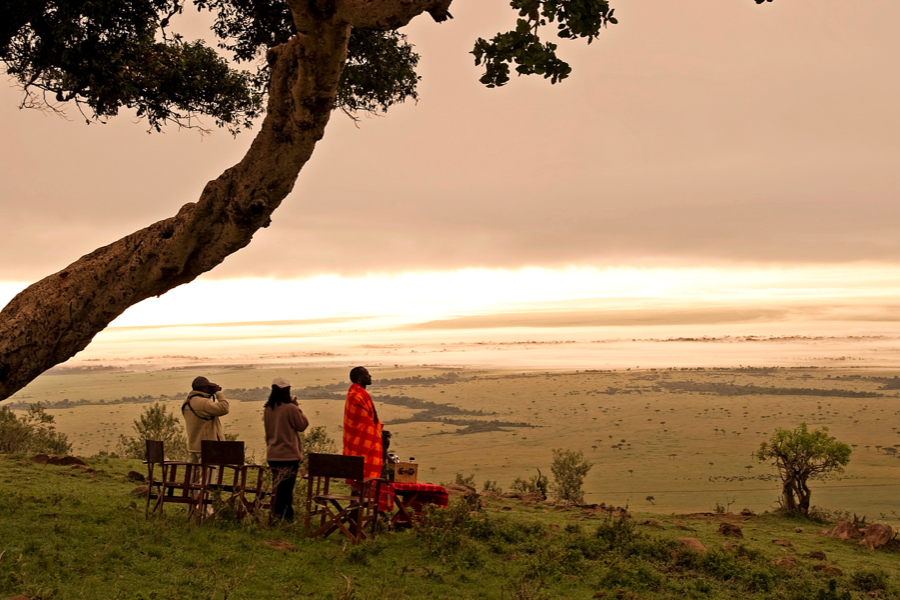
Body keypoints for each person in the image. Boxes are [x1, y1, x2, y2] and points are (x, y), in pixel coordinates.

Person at [263, 377, 309, 522]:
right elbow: (302, 425)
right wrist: (297, 406)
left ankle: (277, 515)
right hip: (288, 455)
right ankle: (286, 517)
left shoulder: (268, 408)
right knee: (286, 490)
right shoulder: (290, 408)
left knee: (277, 488)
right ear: (287, 391)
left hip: (272, 454)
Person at [342, 366, 389, 480]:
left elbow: (368, 420)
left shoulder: (358, 393)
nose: (370, 376)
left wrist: (379, 431)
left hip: (362, 437)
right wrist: (379, 433)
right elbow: (363, 423)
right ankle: (365, 490)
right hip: (360, 441)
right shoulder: (356, 395)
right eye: (367, 375)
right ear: (360, 378)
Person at [182, 375, 230, 464]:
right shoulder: (204, 403)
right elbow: (224, 408)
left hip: (194, 445)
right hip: (207, 446)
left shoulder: (186, 402)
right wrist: (218, 393)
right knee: (207, 476)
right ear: (203, 388)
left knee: (194, 475)